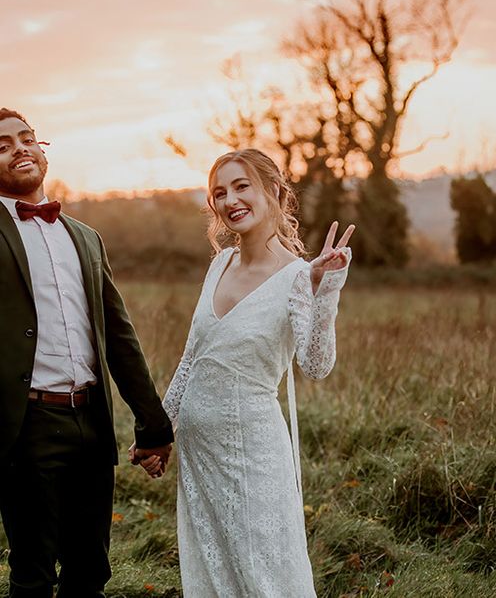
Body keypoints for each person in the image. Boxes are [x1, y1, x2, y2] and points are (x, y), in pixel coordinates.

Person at [133, 148, 353, 597]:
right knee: (215, 576)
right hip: (201, 458)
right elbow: (193, 358)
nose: (230, 199)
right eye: (219, 192)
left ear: (273, 190)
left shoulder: (298, 275)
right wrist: (160, 429)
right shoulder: (220, 265)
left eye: (241, 186)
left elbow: (316, 365)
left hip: (254, 454)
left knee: (265, 574)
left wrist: (325, 289)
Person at [0, 107, 174, 598]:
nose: (20, 148)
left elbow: (119, 336)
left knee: (90, 572)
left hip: (92, 423)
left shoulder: (85, 237)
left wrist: (152, 421)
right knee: (33, 575)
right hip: (25, 428)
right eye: (3, 144)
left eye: (27, 138)